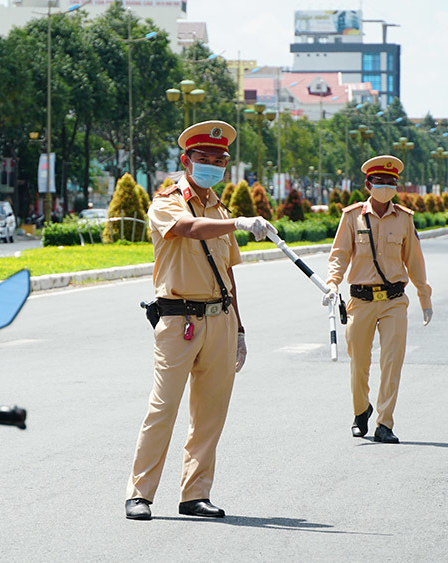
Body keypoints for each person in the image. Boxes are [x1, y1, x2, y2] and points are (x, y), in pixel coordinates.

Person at [125, 120, 275, 520]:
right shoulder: (167, 200)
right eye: (203, 158)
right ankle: (140, 493)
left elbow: (228, 274)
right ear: (185, 160)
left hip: (220, 319)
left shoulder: (219, 208)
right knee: (163, 408)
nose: (211, 164)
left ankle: (195, 494)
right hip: (178, 320)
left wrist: (239, 329)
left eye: (218, 159)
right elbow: (187, 229)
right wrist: (240, 223)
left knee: (210, 414)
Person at [323, 155, 433, 444]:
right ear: (367, 184)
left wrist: (424, 296)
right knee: (358, 362)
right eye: (379, 182)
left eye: (390, 182)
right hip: (361, 300)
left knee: (391, 362)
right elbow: (340, 254)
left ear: (396, 186)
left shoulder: (405, 219)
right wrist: (332, 283)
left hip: (395, 300)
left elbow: (415, 261)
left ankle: (385, 423)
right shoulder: (352, 217)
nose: (385, 187)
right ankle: (362, 410)